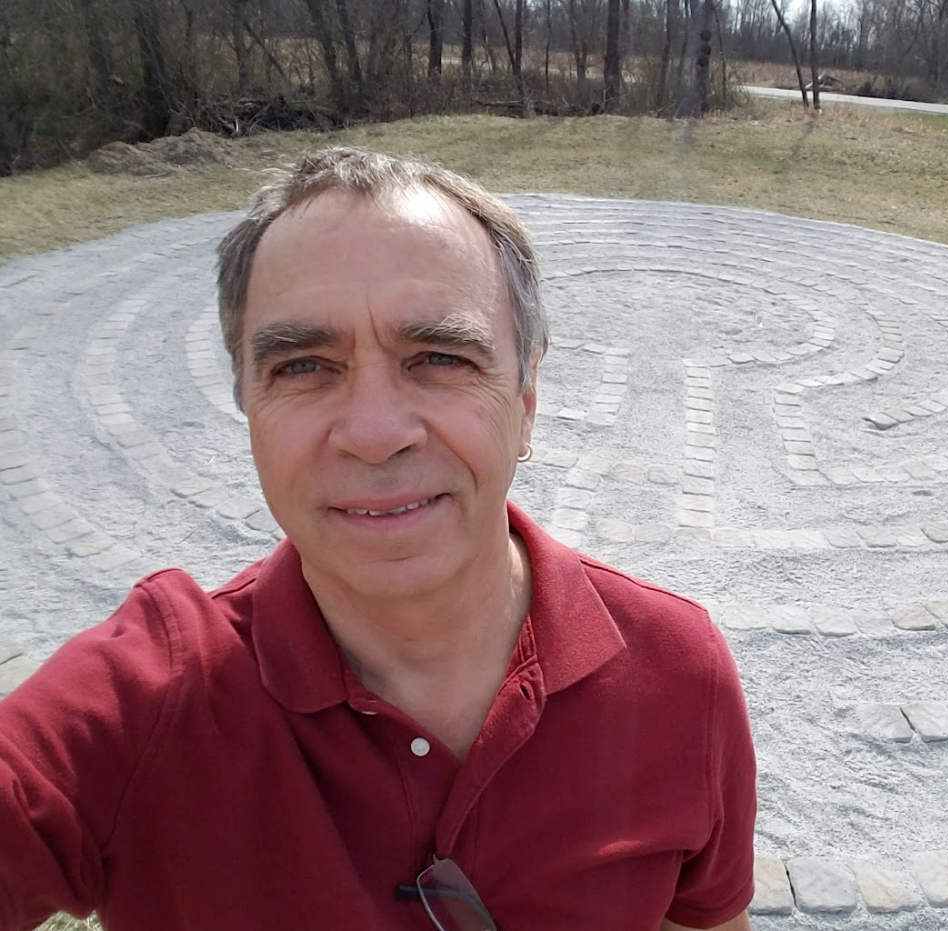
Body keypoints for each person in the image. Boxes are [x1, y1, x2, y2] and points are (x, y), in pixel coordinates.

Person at [0, 147, 757, 931]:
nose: (373, 434)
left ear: (526, 398)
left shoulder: (680, 672)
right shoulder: (144, 701)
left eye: (438, 357)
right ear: (249, 406)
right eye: (303, 366)